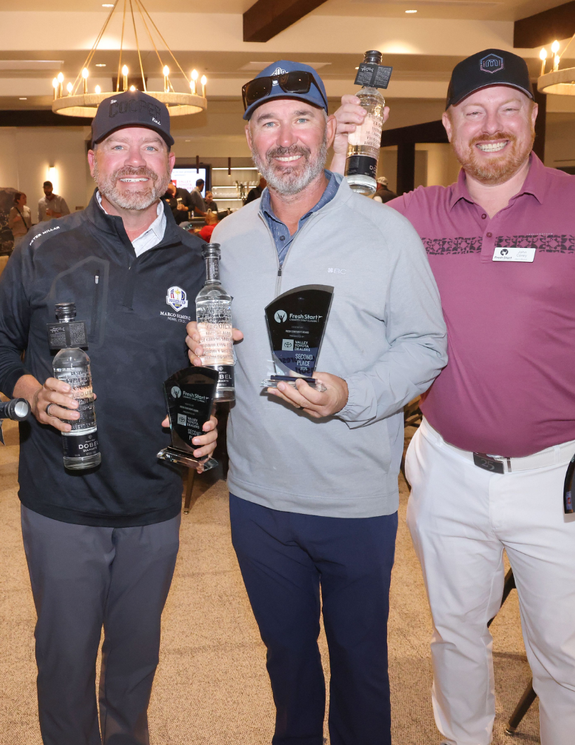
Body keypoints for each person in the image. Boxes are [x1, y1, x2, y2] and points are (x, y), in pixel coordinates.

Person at [186, 60, 447, 745]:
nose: (286, 138)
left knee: (361, 667)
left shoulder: (386, 231)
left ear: (329, 131)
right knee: (289, 663)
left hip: (352, 497)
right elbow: (223, 347)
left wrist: (351, 395)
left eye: (302, 119)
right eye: (268, 123)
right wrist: (204, 354)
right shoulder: (228, 237)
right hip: (257, 497)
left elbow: (425, 345)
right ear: (250, 139)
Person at [332, 49, 575, 745]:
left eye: (508, 108)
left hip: (563, 476)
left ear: (533, 117)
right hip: (447, 469)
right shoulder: (414, 215)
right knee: (457, 635)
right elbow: (335, 242)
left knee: (568, 655)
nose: (491, 125)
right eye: (474, 111)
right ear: (449, 125)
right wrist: (340, 154)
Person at [0, 91, 219, 745]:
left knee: (136, 661)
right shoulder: (42, 247)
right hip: (60, 500)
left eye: (150, 146)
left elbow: (213, 370)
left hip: (154, 499)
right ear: (93, 160)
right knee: (64, 660)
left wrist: (210, 423)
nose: (134, 160)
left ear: (169, 161)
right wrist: (31, 390)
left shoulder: (201, 261)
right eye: (118, 146)